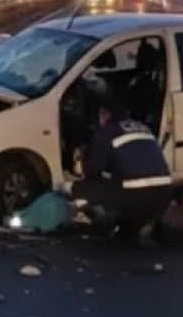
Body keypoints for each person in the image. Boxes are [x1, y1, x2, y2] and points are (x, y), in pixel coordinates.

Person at [69, 92, 174, 244]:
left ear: (104, 114)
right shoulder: (143, 127)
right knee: (122, 188)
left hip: (135, 197)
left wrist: (82, 158)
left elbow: (92, 171)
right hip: (164, 195)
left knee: (80, 188)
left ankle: (100, 224)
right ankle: (136, 226)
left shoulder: (107, 132)